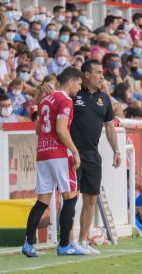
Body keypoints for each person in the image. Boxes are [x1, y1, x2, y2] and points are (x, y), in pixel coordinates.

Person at [22, 67, 85, 257]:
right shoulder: (65, 100)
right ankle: (65, 245)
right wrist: (75, 151)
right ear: (70, 82)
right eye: (79, 84)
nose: (79, 89)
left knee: (42, 202)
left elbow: (37, 130)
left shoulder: (44, 101)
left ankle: (28, 244)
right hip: (59, 153)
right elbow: (61, 129)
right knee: (70, 197)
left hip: (43, 153)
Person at [70, 59, 121, 254]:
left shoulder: (104, 99)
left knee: (90, 199)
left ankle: (83, 241)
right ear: (86, 75)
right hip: (72, 154)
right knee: (70, 200)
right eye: (98, 72)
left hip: (92, 155)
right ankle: (68, 242)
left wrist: (116, 150)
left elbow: (109, 127)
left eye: (102, 73)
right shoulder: (73, 93)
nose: (102, 76)